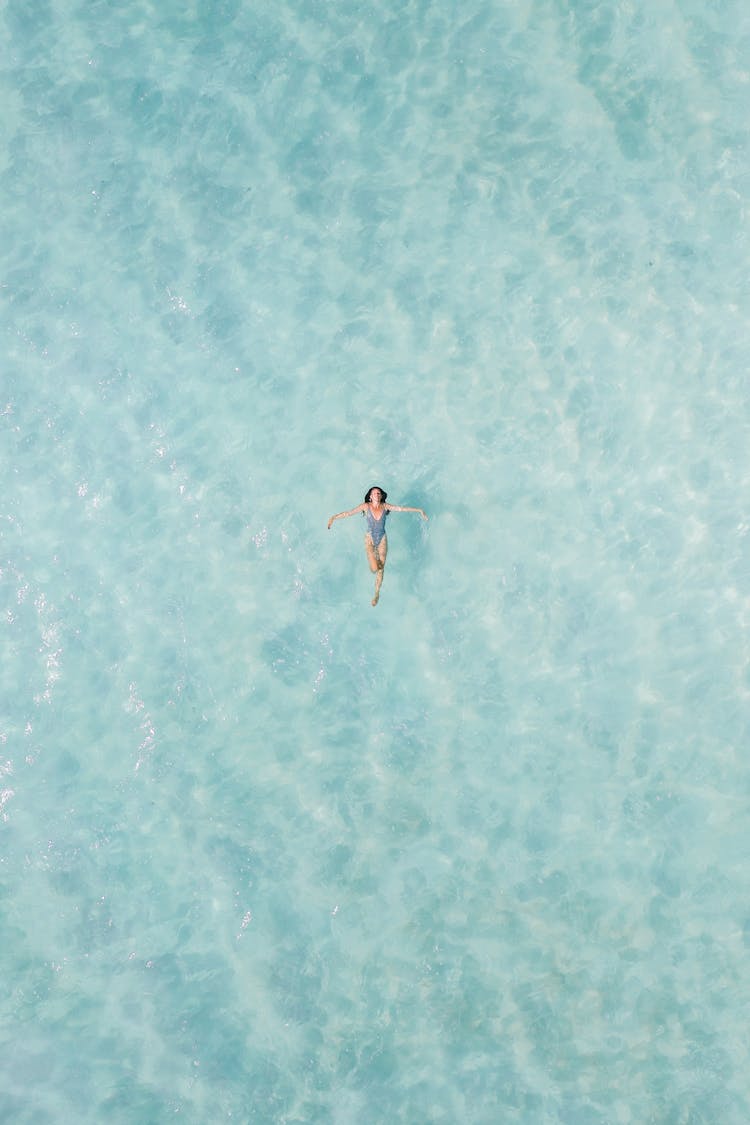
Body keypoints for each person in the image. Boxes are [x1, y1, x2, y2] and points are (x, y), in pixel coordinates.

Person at [327, 486, 428, 605]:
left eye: (379, 493)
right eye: (375, 493)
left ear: (381, 496)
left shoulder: (385, 507)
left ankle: (376, 593)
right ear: (370, 497)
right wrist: (333, 518)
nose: (377, 494)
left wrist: (419, 510)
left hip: (382, 539)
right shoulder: (365, 506)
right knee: (375, 568)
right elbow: (349, 513)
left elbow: (402, 508)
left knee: (381, 569)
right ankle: (373, 564)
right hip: (369, 539)